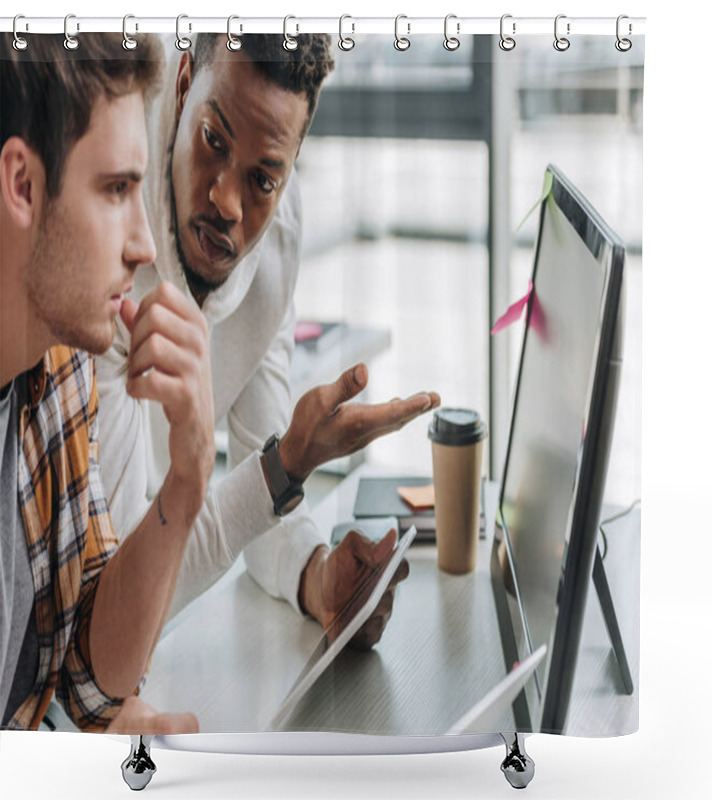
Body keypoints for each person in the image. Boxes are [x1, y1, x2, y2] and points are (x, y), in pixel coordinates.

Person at [96, 32, 440, 646]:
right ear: (181, 83)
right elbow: (113, 602)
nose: (227, 201)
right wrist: (285, 466)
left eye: (261, 180)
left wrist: (320, 578)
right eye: (213, 141)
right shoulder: (109, 230)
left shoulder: (277, 235)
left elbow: (263, 506)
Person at [0, 33, 211, 733]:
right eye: (117, 189)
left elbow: (90, 681)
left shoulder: (60, 368)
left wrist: (188, 478)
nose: (146, 245)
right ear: (23, 186)